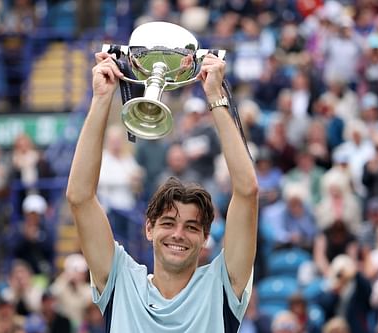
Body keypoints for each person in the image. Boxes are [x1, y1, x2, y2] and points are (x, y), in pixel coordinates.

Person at [66, 52, 259, 331]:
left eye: (192, 227)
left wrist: (216, 97)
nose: (178, 234)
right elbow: (80, 198)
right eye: (168, 223)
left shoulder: (223, 284)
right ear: (148, 228)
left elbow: (247, 192)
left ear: (205, 238)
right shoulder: (120, 279)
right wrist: (101, 99)